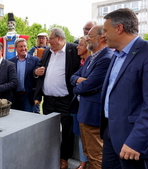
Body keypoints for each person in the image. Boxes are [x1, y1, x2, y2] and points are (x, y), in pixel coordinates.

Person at [100, 8, 148, 169]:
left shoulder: (146, 53)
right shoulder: (116, 54)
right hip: (110, 134)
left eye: (105, 31)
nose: (103, 35)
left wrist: (137, 140)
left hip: (132, 142)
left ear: (119, 28)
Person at [34, 27, 81, 169]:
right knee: (49, 129)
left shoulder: (73, 50)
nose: (48, 42)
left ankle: (63, 157)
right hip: (48, 100)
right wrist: (36, 71)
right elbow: (39, 68)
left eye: (51, 39)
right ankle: (49, 154)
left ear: (60, 38)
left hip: (66, 100)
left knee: (67, 131)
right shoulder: (48, 51)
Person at [70, 25, 112, 169]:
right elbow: (74, 76)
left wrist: (77, 86)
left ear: (102, 37)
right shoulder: (92, 57)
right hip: (85, 112)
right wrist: (78, 81)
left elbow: (88, 86)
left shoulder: (106, 58)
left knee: (96, 157)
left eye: (91, 36)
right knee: (88, 152)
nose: (87, 38)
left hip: (93, 115)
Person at [71, 36, 90, 169]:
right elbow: (72, 78)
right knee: (79, 134)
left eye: (80, 45)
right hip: (77, 105)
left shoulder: (93, 62)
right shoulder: (81, 62)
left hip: (89, 107)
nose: (77, 47)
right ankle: (83, 163)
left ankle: (85, 163)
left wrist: (77, 83)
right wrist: (79, 81)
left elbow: (89, 85)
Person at [8, 38, 39, 112]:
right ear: (16, 48)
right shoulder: (10, 62)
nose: (23, 48)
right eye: (20, 46)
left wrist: (38, 97)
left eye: (25, 46)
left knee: (28, 120)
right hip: (15, 97)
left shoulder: (35, 60)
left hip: (28, 97)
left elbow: (39, 81)